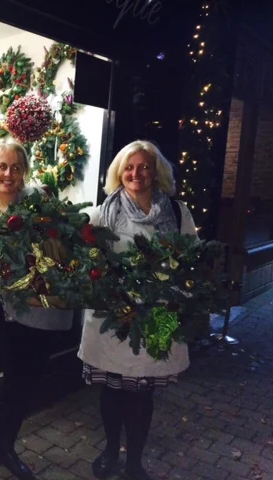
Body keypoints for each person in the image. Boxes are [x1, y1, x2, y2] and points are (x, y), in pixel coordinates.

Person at [78, 140, 198, 480]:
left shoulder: (177, 212)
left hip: (157, 315)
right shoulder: (103, 213)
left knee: (143, 395)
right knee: (112, 391)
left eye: (144, 167)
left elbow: (191, 257)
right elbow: (86, 258)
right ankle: (110, 450)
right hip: (114, 319)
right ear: (119, 173)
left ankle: (134, 462)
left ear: (156, 172)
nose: (136, 174)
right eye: (129, 168)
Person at [0, 137, 73, 480]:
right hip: (6, 317)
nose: (8, 174)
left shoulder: (38, 201)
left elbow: (61, 246)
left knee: (26, 387)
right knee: (12, 388)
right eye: (1, 166)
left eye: (16, 167)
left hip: (44, 312)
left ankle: (6, 449)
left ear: (24, 171)